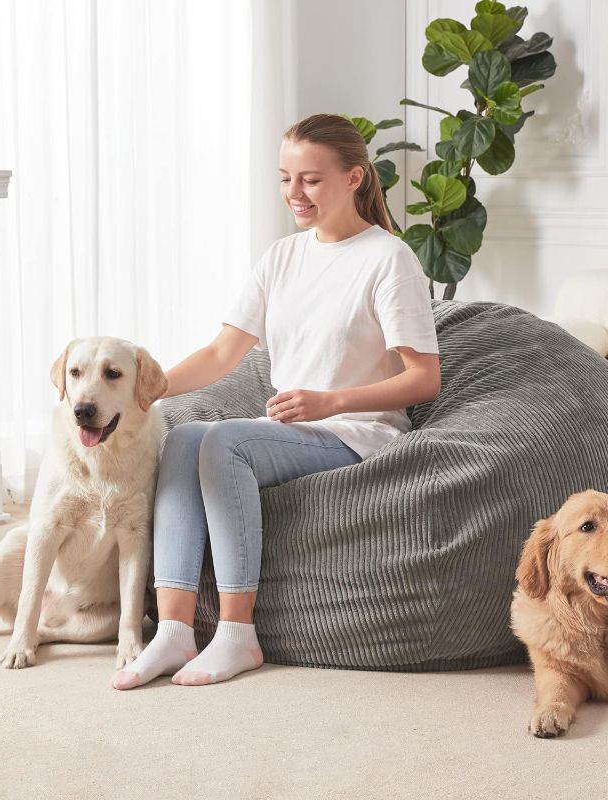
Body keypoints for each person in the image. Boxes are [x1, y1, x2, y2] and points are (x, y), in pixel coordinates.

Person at [111, 113, 441, 690]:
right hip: (289, 431)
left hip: (357, 434)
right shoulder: (282, 256)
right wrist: (147, 388)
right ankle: (174, 629)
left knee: (225, 441)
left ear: (354, 178)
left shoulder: (389, 259)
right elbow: (220, 354)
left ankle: (238, 633)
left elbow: (424, 378)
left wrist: (330, 401)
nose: (294, 193)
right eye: (285, 178)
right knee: (184, 436)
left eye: (310, 179)